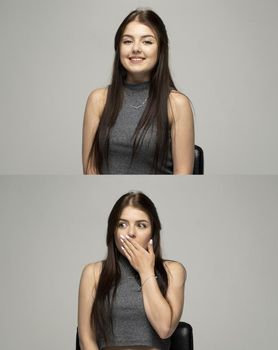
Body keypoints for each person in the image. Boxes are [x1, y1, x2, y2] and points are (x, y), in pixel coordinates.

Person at [82, 9, 194, 174]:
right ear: (118, 48)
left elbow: (182, 175)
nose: (135, 48)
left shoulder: (176, 104)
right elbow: (90, 169)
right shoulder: (98, 99)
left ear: (160, 49)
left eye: (147, 42)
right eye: (127, 41)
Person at [77, 191, 186, 350]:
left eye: (141, 225)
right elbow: (86, 340)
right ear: (113, 231)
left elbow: (164, 328)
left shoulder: (173, 270)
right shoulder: (93, 273)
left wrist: (146, 271)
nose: (131, 233)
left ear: (153, 232)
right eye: (122, 224)